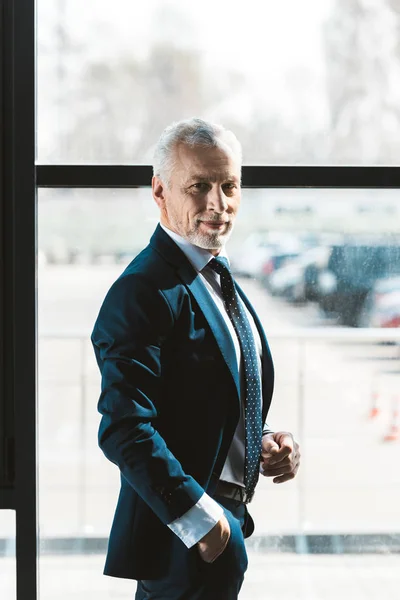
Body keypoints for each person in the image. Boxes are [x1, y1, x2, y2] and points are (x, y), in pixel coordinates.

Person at [91, 117, 301, 599]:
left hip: (217, 530)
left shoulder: (212, 275)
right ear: (160, 192)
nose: (218, 204)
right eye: (199, 186)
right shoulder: (142, 290)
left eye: (229, 185)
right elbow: (123, 427)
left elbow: (204, 393)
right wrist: (205, 525)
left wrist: (262, 440)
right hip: (184, 538)